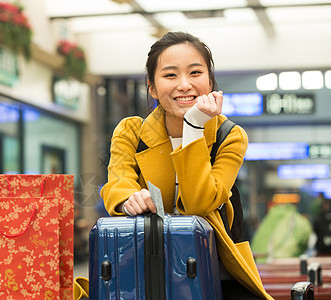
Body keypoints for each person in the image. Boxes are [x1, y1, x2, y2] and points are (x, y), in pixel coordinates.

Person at [100, 32, 272, 299]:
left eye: (195, 73)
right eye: (170, 75)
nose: (184, 84)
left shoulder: (229, 136)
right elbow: (117, 183)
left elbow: (199, 204)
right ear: (153, 88)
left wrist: (194, 126)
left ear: (210, 81)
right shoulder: (131, 132)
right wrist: (127, 200)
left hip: (215, 274)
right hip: (146, 270)